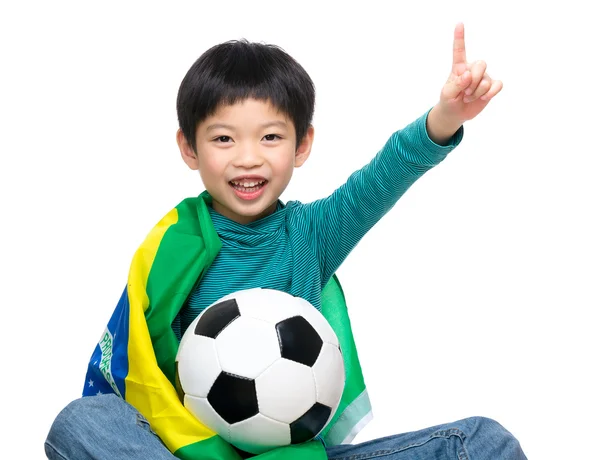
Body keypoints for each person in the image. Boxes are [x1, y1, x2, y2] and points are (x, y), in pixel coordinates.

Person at [45, 23, 527, 460]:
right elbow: (139, 374)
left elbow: (384, 177)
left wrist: (445, 117)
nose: (248, 158)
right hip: (186, 453)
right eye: (224, 139)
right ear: (189, 148)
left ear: (302, 145)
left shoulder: (311, 235)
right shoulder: (173, 249)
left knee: (483, 442)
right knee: (82, 421)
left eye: (271, 137)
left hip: (295, 457)